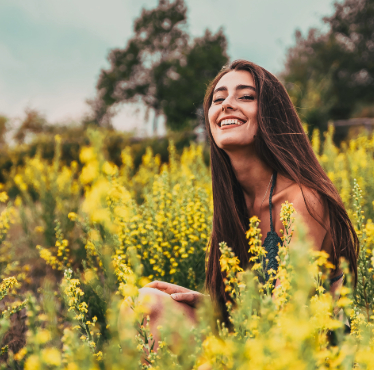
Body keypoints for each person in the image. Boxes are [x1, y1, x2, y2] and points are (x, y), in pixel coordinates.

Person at [124, 59, 359, 342]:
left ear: (272, 115)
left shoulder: (303, 200)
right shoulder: (234, 204)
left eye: (245, 96)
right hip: (256, 346)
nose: (226, 105)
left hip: (305, 364)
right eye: (218, 99)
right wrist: (219, 310)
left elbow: (284, 321)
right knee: (143, 304)